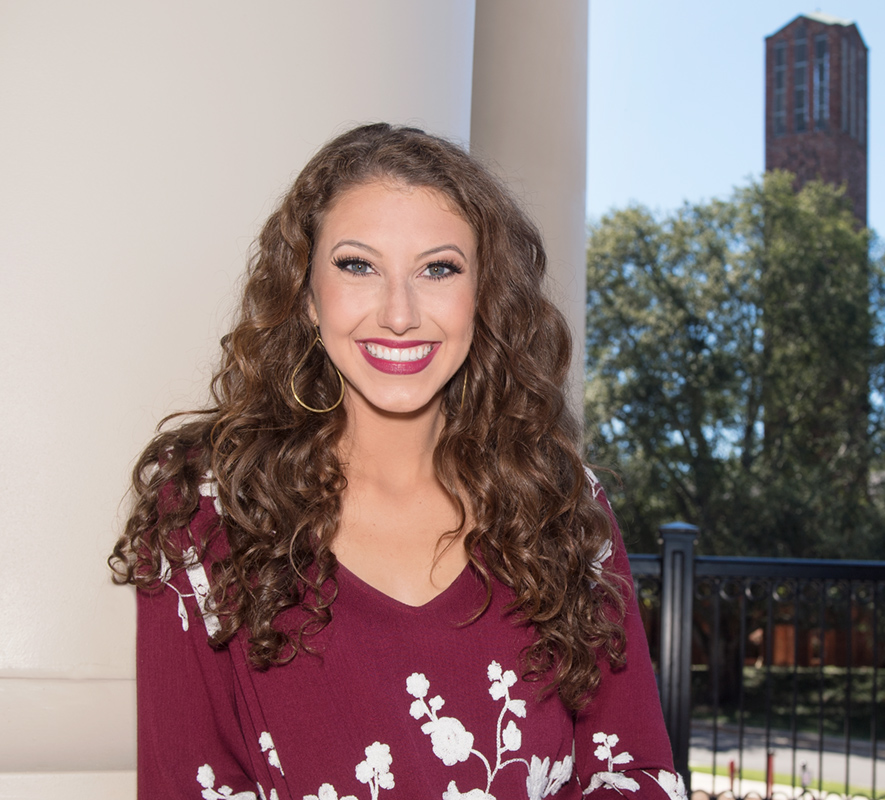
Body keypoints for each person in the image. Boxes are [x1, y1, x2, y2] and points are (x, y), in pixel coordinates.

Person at [110, 123, 685, 800]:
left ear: (485, 297)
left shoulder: (561, 504)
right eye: (358, 266)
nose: (400, 313)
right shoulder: (204, 509)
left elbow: (638, 776)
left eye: (438, 269)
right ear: (305, 293)